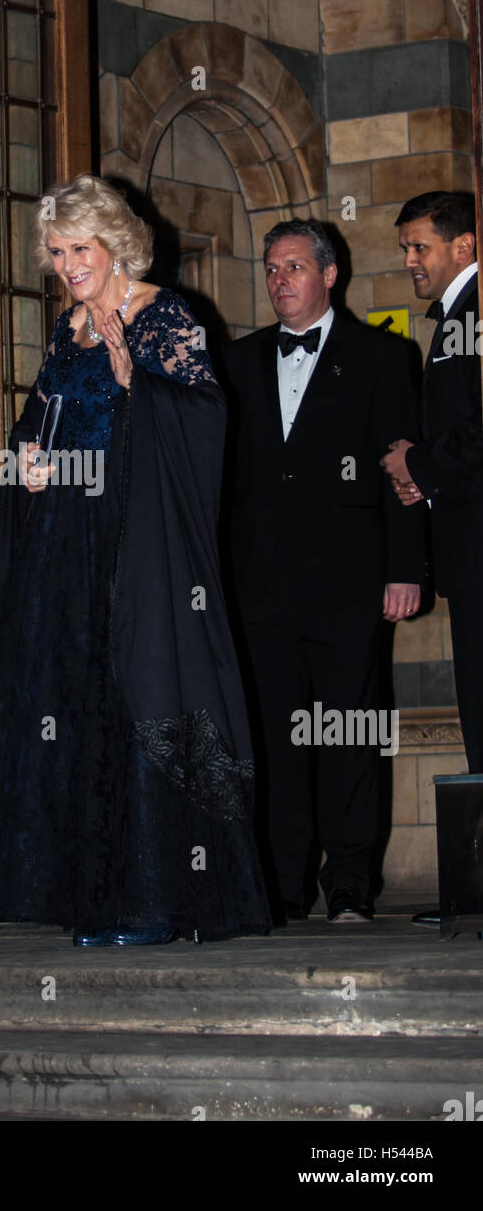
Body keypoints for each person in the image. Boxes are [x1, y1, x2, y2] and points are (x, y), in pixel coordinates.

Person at [0, 173, 271, 946]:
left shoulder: (165, 317)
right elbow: (41, 429)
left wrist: (137, 386)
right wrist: (30, 467)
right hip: (63, 548)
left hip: (134, 549)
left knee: (134, 705)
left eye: (78, 247)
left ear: (115, 243)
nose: (66, 263)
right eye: (56, 251)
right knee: (71, 711)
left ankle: (154, 900)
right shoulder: (68, 328)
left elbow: (207, 422)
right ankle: (89, 893)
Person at [223, 219, 425, 926]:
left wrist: (406, 570)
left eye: (295, 267)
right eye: (273, 269)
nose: (280, 279)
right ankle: (283, 888)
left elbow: (400, 471)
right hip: (259, 590)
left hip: (350, 586)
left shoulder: (381, 356)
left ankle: (349, 888)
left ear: (329, 275)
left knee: (347, 736)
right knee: (277, 743)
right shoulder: (238, 361)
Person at [380, 191, 483, 928]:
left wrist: (418, 462)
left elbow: (476, 433)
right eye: (406, 246)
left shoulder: (473, 312)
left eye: (420, 246)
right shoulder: (453, 316)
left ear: (465, 246)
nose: (408, 260)